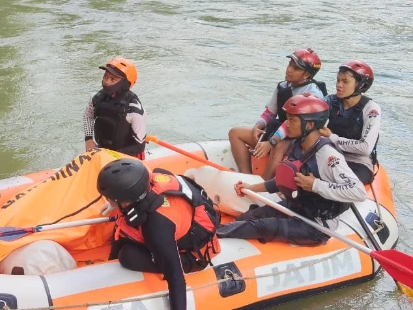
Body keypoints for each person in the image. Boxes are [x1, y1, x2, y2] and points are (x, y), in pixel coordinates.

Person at [217, 93, 366, 245]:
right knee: (246, 218)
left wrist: (316, 185)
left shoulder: (328, 155)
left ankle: (214, 235)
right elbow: (283, 181)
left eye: (292, 120)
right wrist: (251, 188)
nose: (286, 124)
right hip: (297, 208)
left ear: (309, 125)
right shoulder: (296, 145)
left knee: (263, 226)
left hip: (317, 225)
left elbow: (359, 191)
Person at [97, 158, 220, 310]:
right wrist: (113, 203)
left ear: (127, 202)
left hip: (192, 256)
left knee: (127, 256)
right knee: (123, 229)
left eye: (109, 198)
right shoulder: (149, 183)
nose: (107, 199)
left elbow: (176, 279)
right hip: (170, 226)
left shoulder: (155, 227)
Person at [228, 48, 326, 180]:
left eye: (296, 68)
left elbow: (292, 122)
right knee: (235, 133)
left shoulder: (312, 94)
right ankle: (246, 175)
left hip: (297, 137)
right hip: (279, 131)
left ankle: (264, 182)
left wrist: (271, 142)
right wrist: (258, 126)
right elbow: (270, 112)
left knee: (278, 146)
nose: (289, 69)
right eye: (290, 65)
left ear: (307, 75)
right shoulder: (283, 86)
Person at [320, 60, 380, 184]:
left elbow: (365, 148)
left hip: (358, 162)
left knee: (344, 185)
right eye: (338, 80)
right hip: (331, 155)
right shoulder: (331, 101)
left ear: (360, 85)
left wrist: (332, 138)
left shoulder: (371, 110)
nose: (339, 85)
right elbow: (314, 106)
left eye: (345, 81)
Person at [83, 57, 147, 159]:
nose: (107, 82)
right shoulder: (97, 98)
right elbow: (88, 116)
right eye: (106, 76)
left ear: (125, 83)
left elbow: (139, 146)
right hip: (103, 151)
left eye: (113, 79)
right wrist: (89, 139)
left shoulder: (133, 108)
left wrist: (113, 156)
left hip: (128, 157)